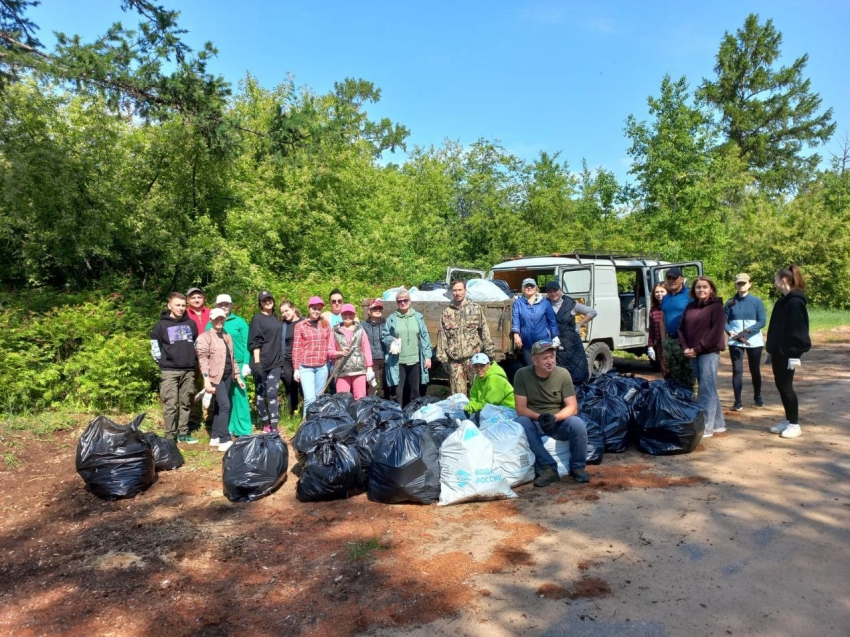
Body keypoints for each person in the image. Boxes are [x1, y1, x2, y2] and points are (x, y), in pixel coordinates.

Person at [514, 340, 590, 487]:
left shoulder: (563, 374)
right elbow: (520, 408)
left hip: (557, 421)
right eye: (545, 358)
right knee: (521, 422)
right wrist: (539, 417)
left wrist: (555, 417)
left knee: (578, 424)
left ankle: (578, 467)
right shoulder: (522, 375)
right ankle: (548, 468)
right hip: (535, 421)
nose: (550, 361)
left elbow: (572, 407)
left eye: (552, 357)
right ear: (534, 360)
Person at [765, 265, 811, 439]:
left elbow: (799, 330)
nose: (774, 283)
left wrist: (795, 354)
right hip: (779, 352)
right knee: (781, 386)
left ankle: (794, 424)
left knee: (786, 387)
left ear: (783, 280)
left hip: (789, 353)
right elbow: (777, 329)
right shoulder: (782, 301)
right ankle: (788, 419)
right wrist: (770, 349)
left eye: (776, 279)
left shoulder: (795, 302)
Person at [678, 276, 727, 438]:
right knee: (708, 387)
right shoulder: (690, 307)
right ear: (694, 290)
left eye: (705, 287)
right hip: (692, 352)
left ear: (711, 289)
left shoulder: (717, 307)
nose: (701, 290)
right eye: (698, 287)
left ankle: (706, 426)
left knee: (705, 389)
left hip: (708, 353)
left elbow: (716, 332)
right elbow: (681, 329)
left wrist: (698, 349)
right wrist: (686, 348)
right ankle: (719, 424)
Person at [150, 292, 199, 444]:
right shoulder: (160, 326)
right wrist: (165, 362)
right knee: (170, 404)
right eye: (177, 305)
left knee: (186, 402)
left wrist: (192, 360)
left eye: (183, 305)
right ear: (169, 305)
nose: (181, 308)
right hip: (169, 370)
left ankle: (183, 432)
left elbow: (196, 345)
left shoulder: (191, 324)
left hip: (189, 370)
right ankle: (170, 436)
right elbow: (155, 350)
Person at [195, 308, 245, 451]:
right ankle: (224, 440)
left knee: (218, 407)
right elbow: (203, 360)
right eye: (216, 319)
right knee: (225, 406)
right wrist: (206, 380)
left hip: (228, 376)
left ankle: (215, 437)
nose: (219, 321)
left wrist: (237, 375)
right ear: (210, 320)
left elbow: (232, 357)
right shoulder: (205, 337)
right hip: (215, 377)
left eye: (221, 318)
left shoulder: (227, 336)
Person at [436, 280, 496, 396]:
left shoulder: (476, 308)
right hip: (455, 360)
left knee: (478, 392)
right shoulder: (446, 312)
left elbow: (484, 330)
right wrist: (442, 359)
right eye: (455, 290)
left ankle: (478, 413)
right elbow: (442, 336)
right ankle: (460, 414)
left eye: (460, 290)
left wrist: (490, 352)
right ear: (451, 292)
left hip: (473, 359)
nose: (457, 293)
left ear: (465, 291)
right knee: (458, 396)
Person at [207, 294, 253, 439]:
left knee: (240, 396)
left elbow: (247, 343)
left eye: (227, 304)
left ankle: (244, 429)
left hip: (237, 364)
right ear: (216, 305)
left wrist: (246, 362)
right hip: (219, 367)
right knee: (224, 399)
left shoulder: (240, 322)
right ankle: (228, 428)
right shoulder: (211, 324)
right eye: (221, 304)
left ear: (231, 305)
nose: (224, 306)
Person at [382, 287, 432, 408]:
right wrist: (391, 340)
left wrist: (428, 356)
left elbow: (425, 337)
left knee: (414, 390)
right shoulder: (392, 318)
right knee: (397, 393)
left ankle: (413, 415)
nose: (403, 303)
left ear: (410, 301)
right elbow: (384, 336)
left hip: (415, 360)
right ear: (397, 303)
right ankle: (398, 417)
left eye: (405, 300)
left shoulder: (418, 317)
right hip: (398, 361)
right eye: (399, 301)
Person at [725, 273, 767, 411]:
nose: (741, 285)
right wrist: (729, 331)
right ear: (735, 285)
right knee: (737, 371)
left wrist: (748, 331)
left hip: (754, 341)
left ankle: (758, 397)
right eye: (739, 283)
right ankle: (738, 401)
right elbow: (723, 321)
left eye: (744, 283)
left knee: (755, 370)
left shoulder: (756, 301)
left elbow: (762, 321)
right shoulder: (730, 302)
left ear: (750, 284)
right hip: (735, 342)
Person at [544, 281, 595, 384]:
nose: (553, 293)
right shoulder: (545, 304)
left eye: (555, 290)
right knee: (558, 376)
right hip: (555, 344)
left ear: (561, 291)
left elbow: (592, 312)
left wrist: (580, 324)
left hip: (572, 344)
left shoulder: (571, 304)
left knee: (578, 372)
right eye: (550, 291)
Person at [248, 290, 283, 433]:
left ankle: (274, 426)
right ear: (260, 303)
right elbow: (255, 342)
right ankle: (265, 422)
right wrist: (256, 363)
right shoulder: (257, 319)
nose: (267, 302)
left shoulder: (276, 318)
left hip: (276, 362)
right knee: (260, 393)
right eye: (264, 300)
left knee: (272, 392)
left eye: (269, 299)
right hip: (261, 362)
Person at [292, 296, 332, 417]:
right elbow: (297, 347)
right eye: (314, 308)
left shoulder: (325, 324)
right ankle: (306, 427)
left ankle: (317, 426)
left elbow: (330, 343)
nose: (317, 311)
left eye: (319, 309)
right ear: (309, 308)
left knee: (319, 398)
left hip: (322, 366)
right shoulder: (300, 326)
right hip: (306, 367)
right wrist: (296, 369)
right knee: (309, 398)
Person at [328, 303, 374, 399]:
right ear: (341, 315)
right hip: (341, 370)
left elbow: (367, 349)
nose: (348, 316)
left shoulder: (360, 330)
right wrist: (339, 353)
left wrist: (369, 367)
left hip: (359, 370)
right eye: (345, 314)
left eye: (350, 313)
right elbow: (330, 350)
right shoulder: (335, 331)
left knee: (360, 398)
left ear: (354, 315)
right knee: (342, 399)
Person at [660, 267, 696, 390]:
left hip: (685, 342)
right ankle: (680, 403)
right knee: (675, 376)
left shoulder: (690, 295)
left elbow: (697, 318)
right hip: (670, 342)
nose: (671, 281)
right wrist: (664, 341)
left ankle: (693, 403)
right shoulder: (665, 298)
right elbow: (663, 320)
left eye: (674, 278)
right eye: (669, 278)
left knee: (690, 375)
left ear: (682, 279)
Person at [511, 278, 559, 367]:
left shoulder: (544, 302)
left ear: (536, 288)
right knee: (531, 368)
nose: (529, 288)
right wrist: (516, 335)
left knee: (547, 366)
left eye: (531, 286)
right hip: (527, 342)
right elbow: (516, 319)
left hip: (544, 342)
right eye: (526, 286)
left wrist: (555, 337)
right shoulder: (518, 303)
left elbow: (552, 321)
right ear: (523, 288)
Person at [464, 353, 515, 422]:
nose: (479, 369)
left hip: (509, 410)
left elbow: (490, 404)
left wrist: (472, 408)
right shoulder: (478, 377)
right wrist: (470, 407)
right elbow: (474, 395)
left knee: (478, 416)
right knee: (468, 412)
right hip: (493, 408)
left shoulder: (495, 378)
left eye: (482, 365)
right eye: (476, 366)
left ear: (488, 364)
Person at [362, 299, 391, 399]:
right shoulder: (363, 326)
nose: (377, 310)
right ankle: (370, 404)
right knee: (371, 385)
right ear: (369, 311)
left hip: (385, 358)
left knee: (386, 384)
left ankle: (385, 405)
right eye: (374, 308)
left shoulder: (386, 324)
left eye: (379, 308)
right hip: (371, 360)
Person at [279, 300, 304, 417]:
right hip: (287, 359)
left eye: (286, 311)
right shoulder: (282, 325)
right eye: (282, 312)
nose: (284, 314)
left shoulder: (304, 322)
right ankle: (292, 414)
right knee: (290, 387)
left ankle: (307, 413)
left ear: (293, 309)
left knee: (303, 387)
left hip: (302, 359)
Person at [648, 283, 669, 376]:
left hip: (673, 341)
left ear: (667, 292)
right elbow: (652, 329)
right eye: (657, 292)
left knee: (675, 368)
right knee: (664, 367)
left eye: (662, 291)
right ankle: (669, 388)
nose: (659, 294)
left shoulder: (671, 306)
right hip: (660, 343)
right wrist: (650, 346)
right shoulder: (654, 309)